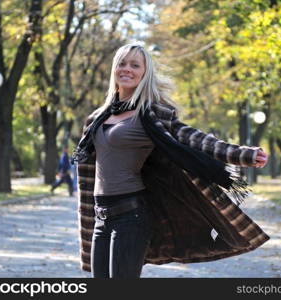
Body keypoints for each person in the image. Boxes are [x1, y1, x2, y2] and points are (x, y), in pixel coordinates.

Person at [72, 44, 269, 278]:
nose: (127, 69)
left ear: (145, 73)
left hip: (131, 217)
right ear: (114, 69)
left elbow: (194, 139)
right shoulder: (97, 118)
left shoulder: (151, 113)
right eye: (122, 64)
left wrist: (243, 154)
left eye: (135, 65)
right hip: (101, 218)